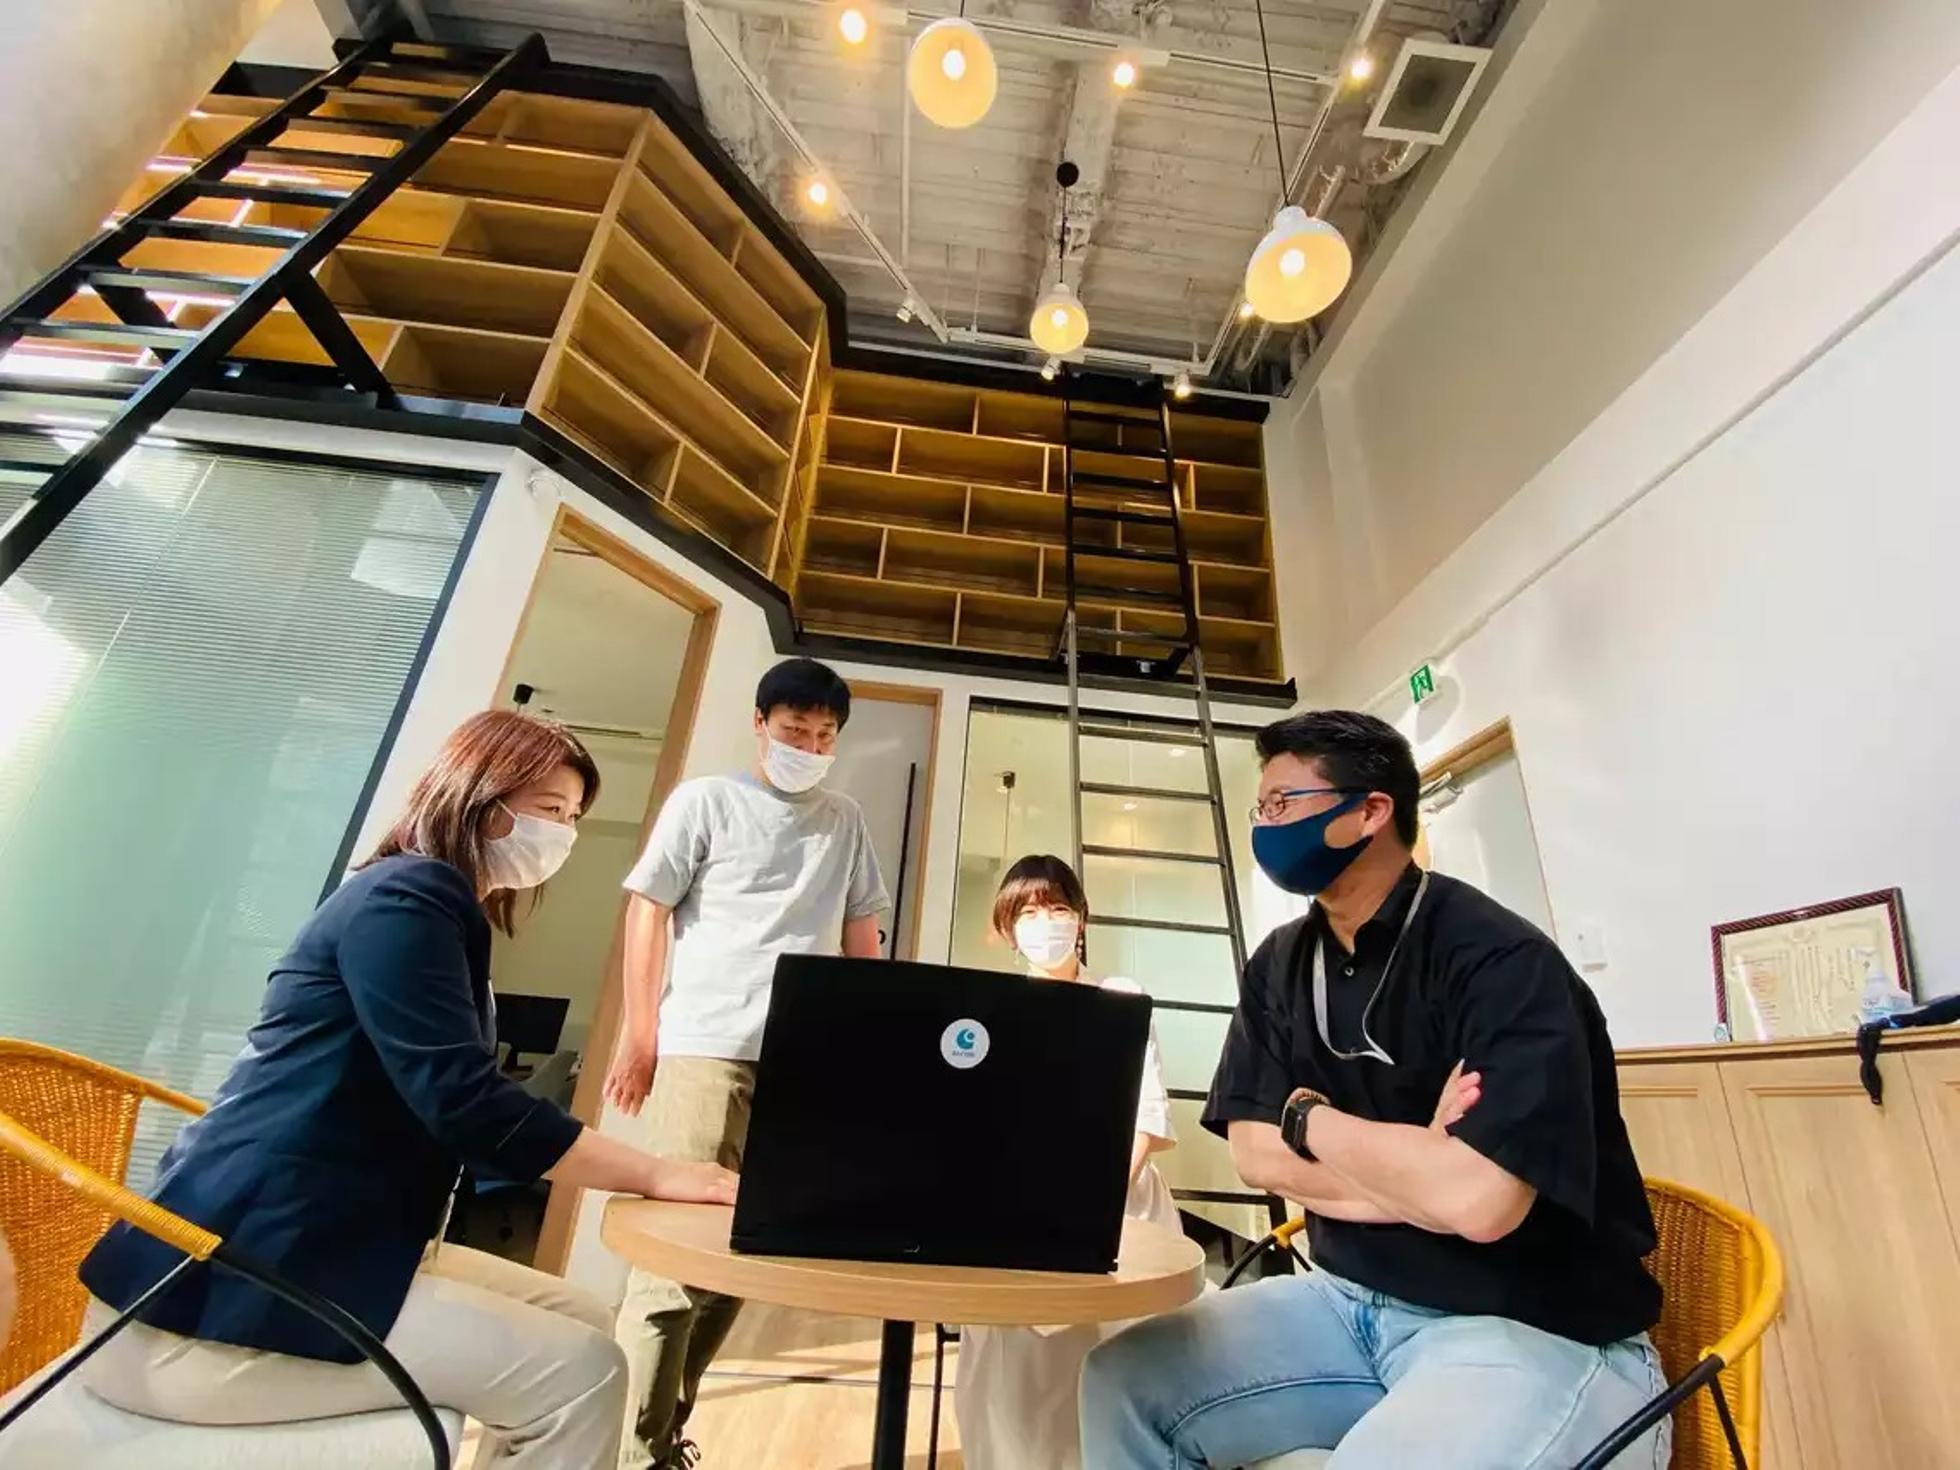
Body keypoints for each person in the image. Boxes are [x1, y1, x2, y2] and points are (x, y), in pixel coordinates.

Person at [75, 710, 736, 1468]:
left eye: (574, 818)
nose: (563, 835)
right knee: (584, 1373)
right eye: (549, 810)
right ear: (479, 798)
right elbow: (466, 1102)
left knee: (587, 1318)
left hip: (320, 1245)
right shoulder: (408, 898)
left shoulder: (422, 903)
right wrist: (658, 1172)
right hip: (202, 1308)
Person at [1079, 710, 1667, 1469]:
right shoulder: (1279, 964)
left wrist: (1307, 1118)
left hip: (1529, 1324)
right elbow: (1255, 1157)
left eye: (1282, 803)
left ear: (1370, 811)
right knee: (1122, 1382)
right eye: (1260, 807)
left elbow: (1481, 1205)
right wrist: (1424, 1169)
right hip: (1346, 1298)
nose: (1264, 825)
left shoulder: (1500, 961)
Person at [605, 656, 889, 1469]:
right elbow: (648, 910)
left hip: (803, 1063)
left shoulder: (844, 820)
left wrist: (871, 1049)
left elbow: (862, 935)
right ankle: (635, 1456)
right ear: (760, 724)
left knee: (744, 1255)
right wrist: (640, 1033)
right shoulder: (706, 801)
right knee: (673, 1261)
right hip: (706, 1046)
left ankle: (664, 1434)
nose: (810, 746)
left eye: (825, 736)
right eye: (796, 730)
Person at [955, 854, 1179, 1470]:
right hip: (1018, 1214)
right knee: (1014, 1383)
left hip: (1119, 1208)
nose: (1045, 922)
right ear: (1007, 929)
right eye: (1027, 913)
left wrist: (1095, 1206)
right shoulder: (993, 1010)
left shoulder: (1120, 999)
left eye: (1056, 908)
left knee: (1116, 1372)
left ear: (1081, 918)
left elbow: (1147, 1120)